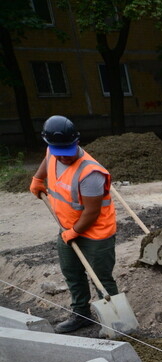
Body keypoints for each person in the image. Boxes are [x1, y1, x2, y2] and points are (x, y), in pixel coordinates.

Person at [30, 115, 119, 334]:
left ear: (76, 142)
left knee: (101, 279)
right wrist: (38, 179)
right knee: (72, 273)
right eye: (60, 153)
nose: (65, 158)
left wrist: (74, 231)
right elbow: (49, 158)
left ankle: (115, 323)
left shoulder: (90, 173)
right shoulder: (54, 151)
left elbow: (91, 212)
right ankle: (81, 315)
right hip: (66, 228)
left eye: (68, 153)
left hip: (96, 233)